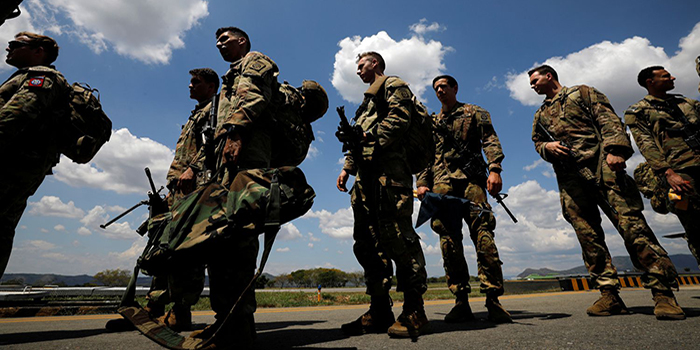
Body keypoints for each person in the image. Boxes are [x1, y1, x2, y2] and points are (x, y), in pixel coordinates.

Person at [527, 64, 684, 320]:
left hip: (604, 167)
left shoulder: (583, 93)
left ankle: (663, 293)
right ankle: (609, 294)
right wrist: (548, 146)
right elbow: (537, 142)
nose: (532, 86)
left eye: (535, 80)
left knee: (633, 227)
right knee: (588, 236)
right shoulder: (540, 114)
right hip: (570, 180)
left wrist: (616, 151)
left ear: (549, 76)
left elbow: (609, 120)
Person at [186, 26, 279, 349]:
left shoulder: (254, 62)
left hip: (246, 161)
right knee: (219, 240)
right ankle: (226, 319)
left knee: (237, 239)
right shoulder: (228, 80)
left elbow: (254, 97)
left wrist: (237, 132)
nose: (218, 44)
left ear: (243, 41)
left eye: (225, 39)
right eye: (216, 41)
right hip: (224, 165)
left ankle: (238, 327)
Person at [336, 51, 430, 338]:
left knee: (399, 238)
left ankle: (414, 309)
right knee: (366, 243)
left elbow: (399, 120)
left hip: (390, 176)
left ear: (375, 63)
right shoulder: (364, 105)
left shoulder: (394, 85)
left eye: (361, 65)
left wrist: (369, 137)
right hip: (365, 180)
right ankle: (379, 309)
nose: (358, 71)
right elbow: (359, 139)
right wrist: (347, 168)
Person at [416, 75, 511, 323]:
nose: (439, 91)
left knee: (484, 236)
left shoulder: (474, 112)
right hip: (442, 185)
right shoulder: (432, 122)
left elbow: (489, 139)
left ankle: (493, 298)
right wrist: (422, 183)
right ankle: (461, 300)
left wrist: (494, 169)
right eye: (436, 88)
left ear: (455, 88)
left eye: (443, 86)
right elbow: (426, 155)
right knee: (448, 241)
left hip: (472, 183)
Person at [146, 68, 219, 331]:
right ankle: (155, 305)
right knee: (163, 245)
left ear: (211, 87)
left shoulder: (216, 110)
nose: (190, 86)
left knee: (188, 250)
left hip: (197, 189)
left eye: (196, 82)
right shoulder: (196, 114)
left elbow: (213, 146)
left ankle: (181, 309)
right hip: (179, 191)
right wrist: (172, 189)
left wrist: (194, 169)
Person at [0, 32, 72, 278]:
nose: (8, 47)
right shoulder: (27, 76)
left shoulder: (42, 77)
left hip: (11, 163)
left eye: (16, 44)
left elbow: (14, 117)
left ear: (39, 51)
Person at [625, 66, 700, 268]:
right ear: (650, 82)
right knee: (695, 225)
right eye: (666, 76)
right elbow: (646, 144)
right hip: (681, 173)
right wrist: (668, 174)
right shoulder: (638, 111)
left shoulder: (688, 103)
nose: (673, 77)